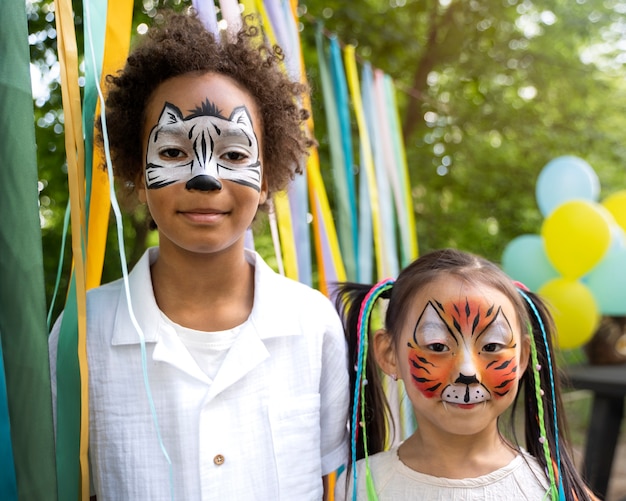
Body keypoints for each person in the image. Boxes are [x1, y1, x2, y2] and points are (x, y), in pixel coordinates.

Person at [49, 10, 348, 501]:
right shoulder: (84, 333)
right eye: (171, 153)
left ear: (267, 175)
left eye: (234, 154)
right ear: (139, 176)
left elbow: (327, 476)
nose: (205, 177)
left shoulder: (313, 324)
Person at [333, 248, 598, 500]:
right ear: (389, 354)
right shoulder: (360, 487)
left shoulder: (553, 486)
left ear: (522, 358)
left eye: (492, 346)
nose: (468, 371)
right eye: (437, 346)